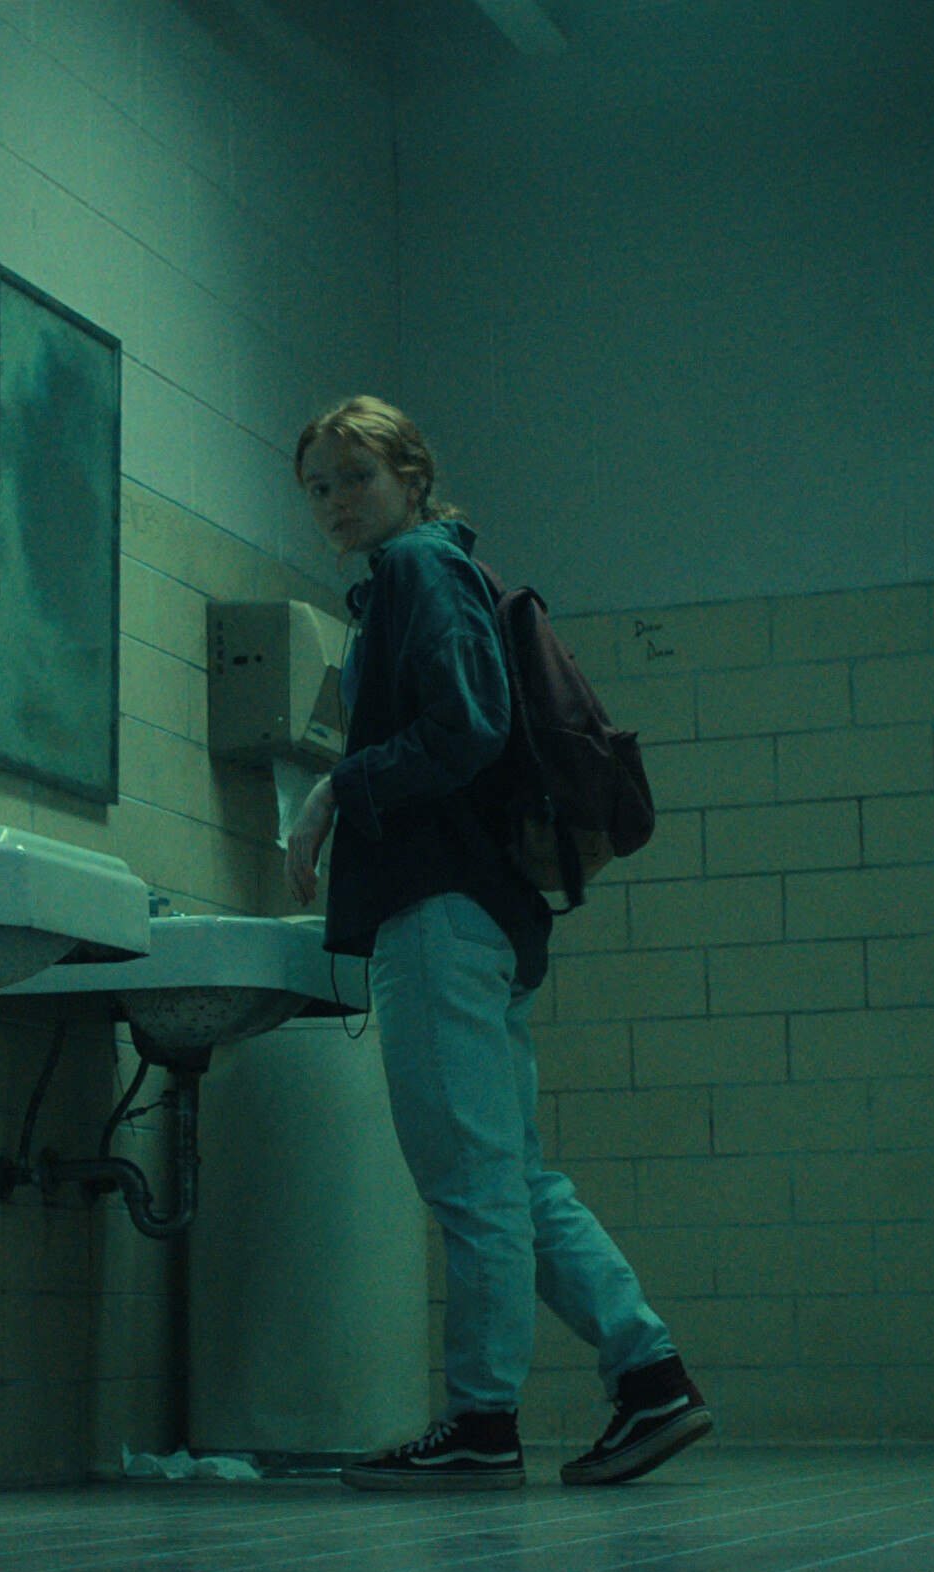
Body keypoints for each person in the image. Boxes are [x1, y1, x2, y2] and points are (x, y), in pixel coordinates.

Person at [283, 396, 713, 1491]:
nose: (336, 502)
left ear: (413, 476)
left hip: (438, 911)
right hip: (482, 915)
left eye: (357, 476)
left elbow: (466, 725)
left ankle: (482, 1421)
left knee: (473, 1186)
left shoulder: (418, 569)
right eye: (319, 486)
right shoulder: (427, 574)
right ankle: (649, 1375)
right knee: (515, 1180)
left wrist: (338, 788)